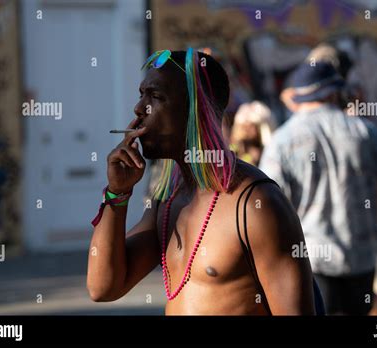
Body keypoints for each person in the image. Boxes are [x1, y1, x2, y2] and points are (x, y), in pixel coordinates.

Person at [86, 48, 315, 315]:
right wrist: (117, 193)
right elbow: (103, 288)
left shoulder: (255, 204)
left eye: (156, 96)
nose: (139, 109)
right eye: (142, 95)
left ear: (196, 111)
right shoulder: (168, 202)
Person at [259, 62, 377, 315]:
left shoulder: (282, 140)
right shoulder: (363, 131)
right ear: (333, 93)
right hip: (362, 255)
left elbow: (269, 200)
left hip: (313, 257)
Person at [230, 101, 276, 166]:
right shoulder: (234, 148)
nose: (247, 130)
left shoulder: (269, 150)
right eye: (244, 126)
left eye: (251, 126)